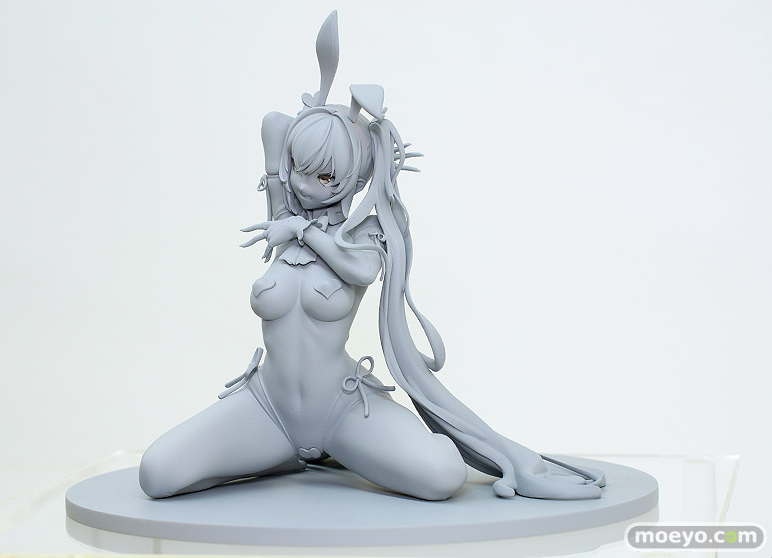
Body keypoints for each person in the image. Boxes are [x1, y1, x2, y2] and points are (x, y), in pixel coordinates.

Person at [139, 11, 604, 501]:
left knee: (441, 477)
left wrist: (306, 222)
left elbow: (360, 270)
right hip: (266, 407)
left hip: (342, 410)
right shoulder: (284, 213)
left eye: (325, 176)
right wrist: (319, 116)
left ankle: (375, 448)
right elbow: (272, 124)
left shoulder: (360, 236)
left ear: (358, 177)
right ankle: (279, 456)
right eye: (298, 167)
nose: (304, 185)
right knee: (157, 473)